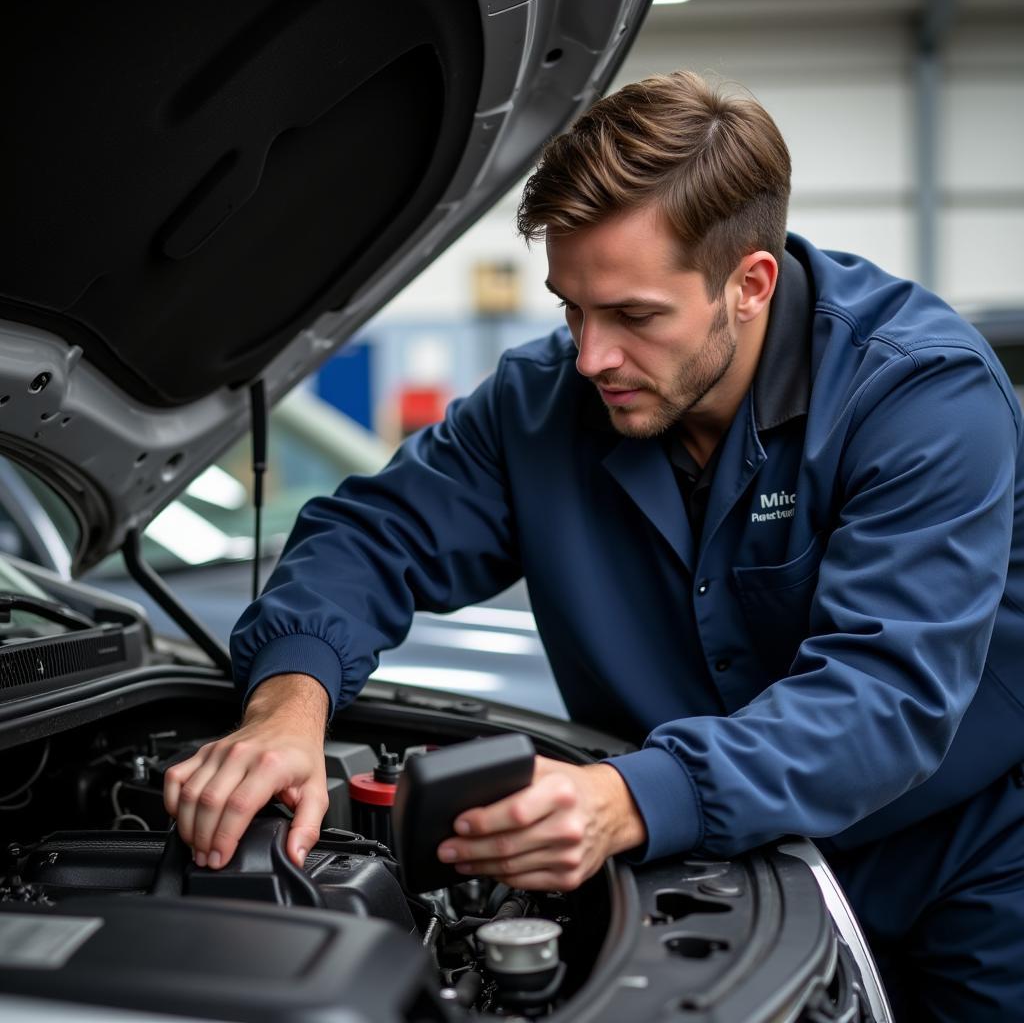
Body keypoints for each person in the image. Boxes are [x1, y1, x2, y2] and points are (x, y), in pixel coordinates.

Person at [164, 71, 1024, 1020]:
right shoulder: (542, 406)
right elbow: (373, 534)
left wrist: (631, 797)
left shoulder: (922, 399)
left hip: (964, 868)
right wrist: (290, 704)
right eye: (571, 307)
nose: (589, 358)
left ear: (751, 284)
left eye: (633, 316)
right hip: (711, 873)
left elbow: (884, 696)